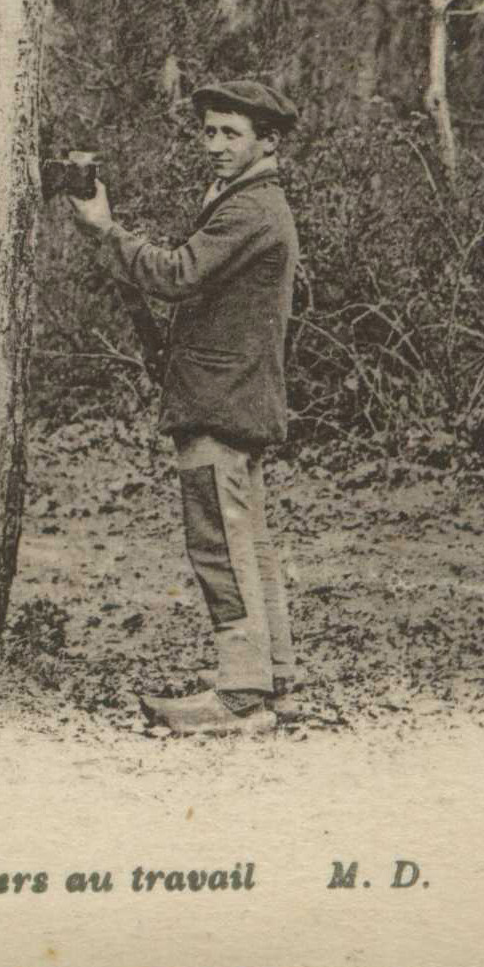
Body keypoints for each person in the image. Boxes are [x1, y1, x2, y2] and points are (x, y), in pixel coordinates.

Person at [68, 78, 302, 738]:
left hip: (220, 403)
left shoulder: (249, 209)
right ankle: (275, 682)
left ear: (267, 141)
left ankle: (240, 695)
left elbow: (175, 275)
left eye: (232, 133)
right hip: (232, 398)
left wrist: (105, 229)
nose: (216, 145)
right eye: (210, 132)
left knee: (219, 547)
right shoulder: (248, 202)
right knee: (246, 547)